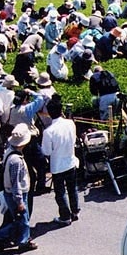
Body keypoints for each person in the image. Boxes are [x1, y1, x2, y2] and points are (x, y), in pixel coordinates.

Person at [0, 124, 38, 252]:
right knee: (22, 220)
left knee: (21, 220)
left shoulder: (9, 150)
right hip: (18, 194)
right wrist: (19, 201)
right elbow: (15, 183)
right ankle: (4, 237)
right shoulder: (16, 160)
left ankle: (21, 239)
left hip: (12, 193)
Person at [41, 94, 80, 226]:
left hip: (57, 165)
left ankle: (65, 216)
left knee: (60, 192)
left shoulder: (48, 131)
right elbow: (74, 140)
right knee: (72, 188)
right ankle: (75, 211)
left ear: (49, 113)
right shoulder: (70, 123)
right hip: (71, 160)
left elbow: (46, 151)